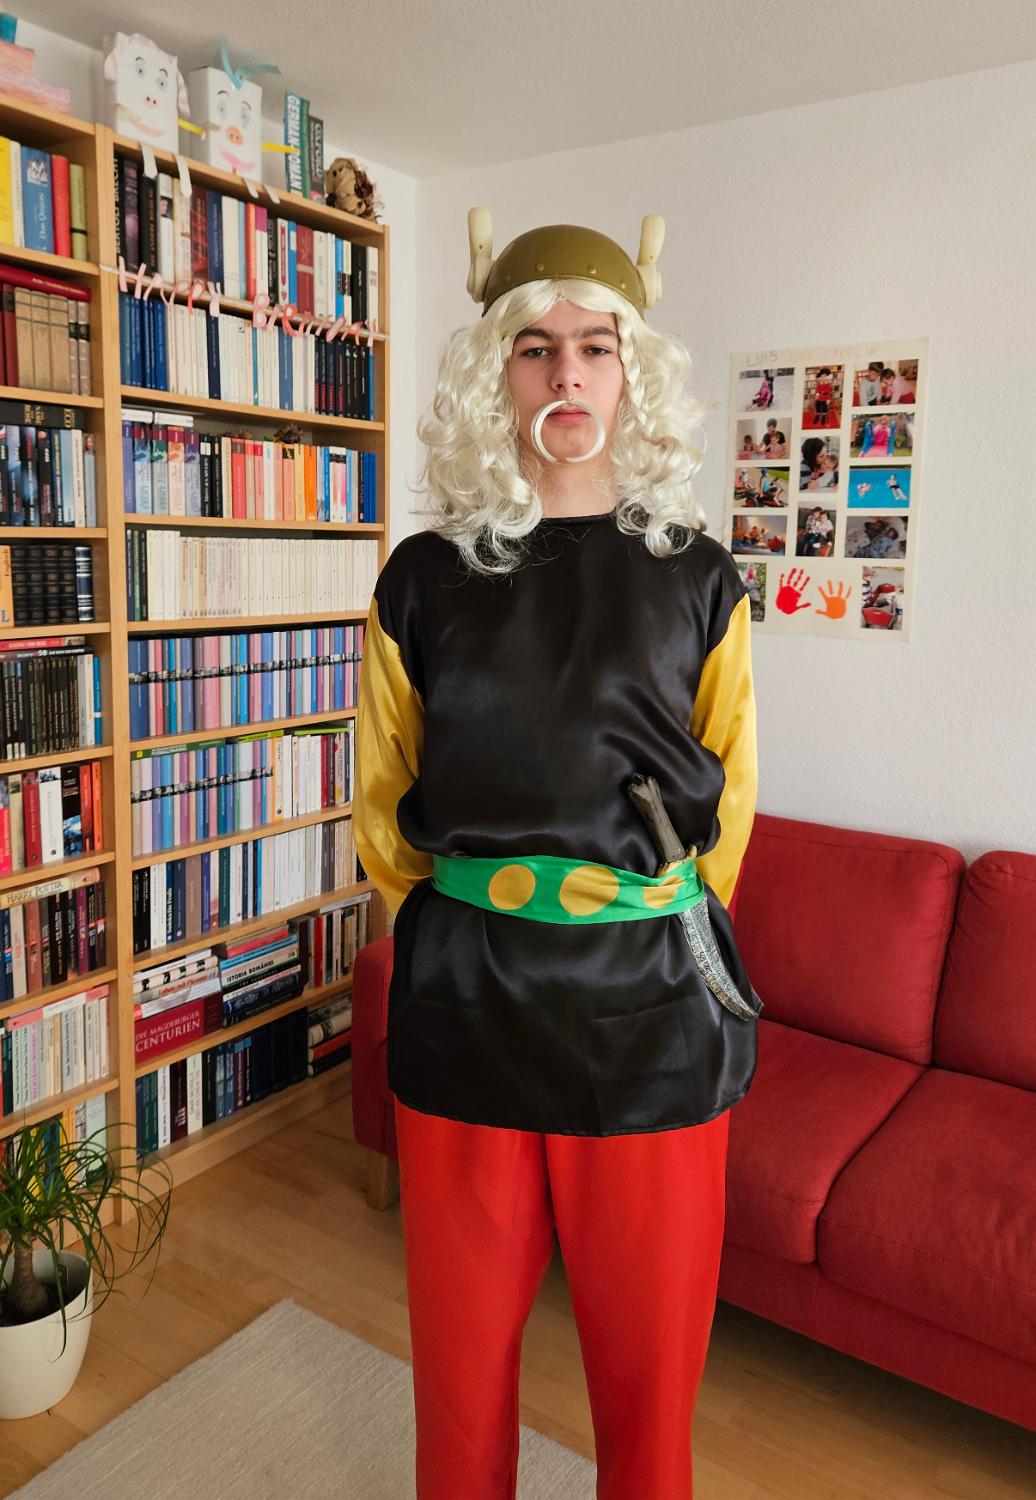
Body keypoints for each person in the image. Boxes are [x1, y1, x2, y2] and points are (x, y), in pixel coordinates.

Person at [353, 210, 761, 1500]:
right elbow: (384, 804)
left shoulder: (700, 578)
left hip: (649, 1020)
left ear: (632, 372)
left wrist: (632, 909)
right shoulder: (420, 577)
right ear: (498, 374)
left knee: (649, 1385)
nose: (567, 374)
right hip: (468, 1003)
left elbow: (730, 805)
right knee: (458, 1372)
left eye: (595, 346)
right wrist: (469, 917)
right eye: (536, 348)